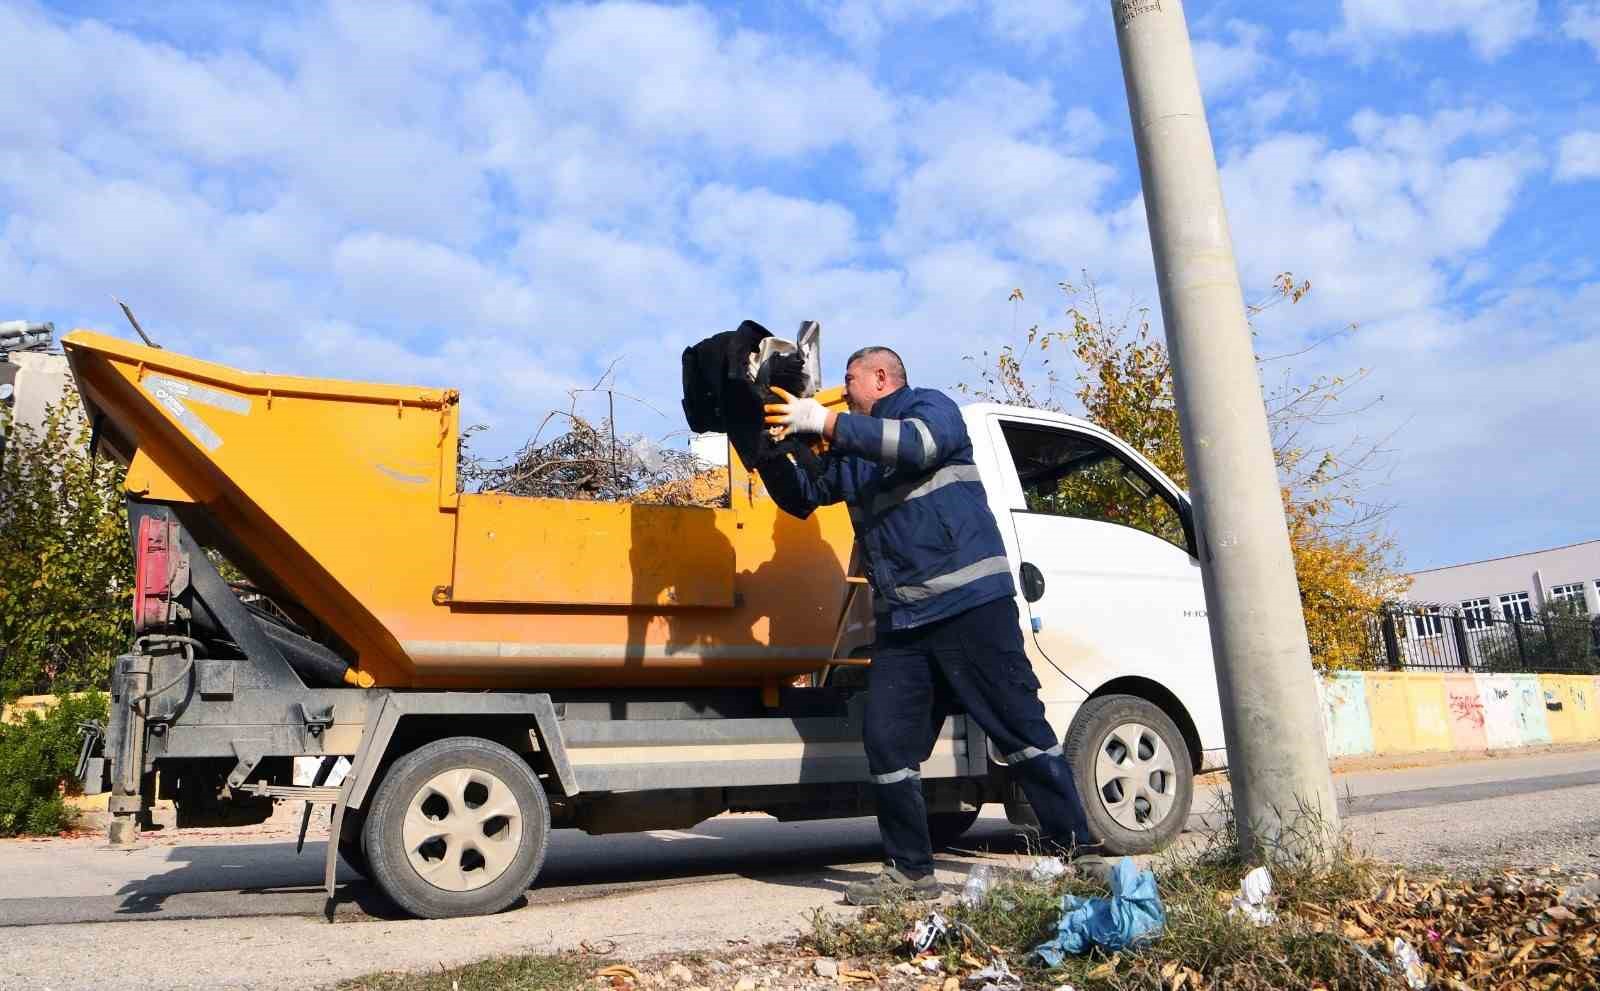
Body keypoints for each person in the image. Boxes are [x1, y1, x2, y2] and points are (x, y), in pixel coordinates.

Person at [761, 346, 1099, 906]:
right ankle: (911, 871)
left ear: (881, 376)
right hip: (905, 621)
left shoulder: (931, 408)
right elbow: (805, 496)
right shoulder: (857, 447)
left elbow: (915, 445)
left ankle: (1080, 852)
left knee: (1018, 732)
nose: (842, 393)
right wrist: (772, 446)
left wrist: (824, 422)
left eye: (849, 381)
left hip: (970, 607)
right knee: (888, 742)